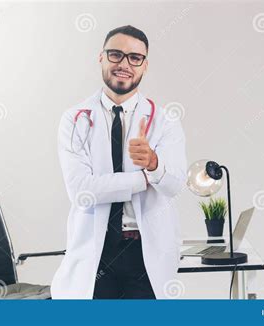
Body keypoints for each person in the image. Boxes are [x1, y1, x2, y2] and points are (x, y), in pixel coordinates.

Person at [51, 25, 187, 299]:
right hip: (97, 253)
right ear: (101, 57)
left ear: (145, 66)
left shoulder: (164, 121)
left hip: (144, 254)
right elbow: (81, 191)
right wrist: (144, 177)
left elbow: (174, 185)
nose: (124, 64)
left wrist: (154, 163)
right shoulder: (75, 119)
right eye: (116, 54)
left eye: (135, 58)